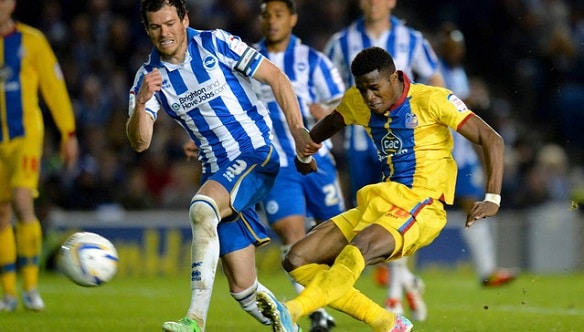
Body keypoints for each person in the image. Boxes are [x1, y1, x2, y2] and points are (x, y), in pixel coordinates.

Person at [256, 46, 505, 332]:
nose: (369, 98)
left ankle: (291, 311)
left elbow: (491, 138)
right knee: (297, 259)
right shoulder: (358, 101)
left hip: (422, 206)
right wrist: (305, 153)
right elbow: (332, 122)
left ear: (394, 78)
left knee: (358, 249)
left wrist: (492, 197)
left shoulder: (432, 100)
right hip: (381, 200)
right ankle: (386, 322)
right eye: (363, 90)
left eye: (374, 88)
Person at [126, 1, 319, 331]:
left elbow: (276, 76)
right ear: (147, 30)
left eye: (171, 23)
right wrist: (141, 103)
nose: (165, 32)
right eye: (156, 27)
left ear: (185, 19)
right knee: (243, 288)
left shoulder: (215, 42)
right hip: (218, 172)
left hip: (256, 153)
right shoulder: (149, 78)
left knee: (202, 208)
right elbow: (140, 142)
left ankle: (195, 320)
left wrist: (298, 129)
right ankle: (289, 327)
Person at [323, 0, 445, 320]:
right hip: (361, 144)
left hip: (405, 147)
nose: (372, 3)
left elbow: (436, 81)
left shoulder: (412, 39)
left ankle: (393, 298)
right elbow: (331, 91)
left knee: (395, 214)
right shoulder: (341, 42)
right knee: (372, 220)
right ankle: (407, 281)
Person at [253, 1, 346, 331]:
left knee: (336, 238)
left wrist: (326, 111)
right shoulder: (246, 60)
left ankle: (324, 300)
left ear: (293, 18)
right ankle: (318, 313)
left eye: (279, 15)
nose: (272, 21)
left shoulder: (314, 60)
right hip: (276, 165)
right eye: (266, 15)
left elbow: (342, 102)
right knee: (292, 236)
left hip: (318, 160)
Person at [0, 0, 79, 312]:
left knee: (21, 201)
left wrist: (68, 132)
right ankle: (8, 293)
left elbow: (53, 87)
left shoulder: (32, 41)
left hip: (26, 136)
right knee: (2, 214)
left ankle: (31, 288)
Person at [435, 22, 517, 287]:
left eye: (460, 47)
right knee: (420, 208)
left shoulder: (458, 72)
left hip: (462, 155)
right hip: (440, 154)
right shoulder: (434, 72)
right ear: (442, 48)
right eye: (452, 47)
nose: (457, 51)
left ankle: (487, 270)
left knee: (474, 207)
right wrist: (471, 99)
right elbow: (441, 105)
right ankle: (396, 269)